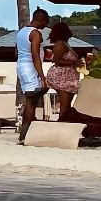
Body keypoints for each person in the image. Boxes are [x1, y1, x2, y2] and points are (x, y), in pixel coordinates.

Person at [15, 8, 49, 145]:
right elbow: (35, 56)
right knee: (31, 102)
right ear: (40, 20)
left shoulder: (21, 32)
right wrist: (42, 76)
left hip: (21, 67)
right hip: (31, 68)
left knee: (30, 100)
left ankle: (24, 133)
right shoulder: (35, 33)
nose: (45, 26)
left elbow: (16, 51)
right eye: (46, 22)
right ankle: (25, 135)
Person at [43, 22, 83, 110]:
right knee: (65, 106)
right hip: (62, 77)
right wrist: (74, 62)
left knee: (67, 105)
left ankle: (65, 120)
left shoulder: (65, 43)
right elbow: (56, 60)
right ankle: (62, 121)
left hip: (68, 78)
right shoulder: (60, 44)